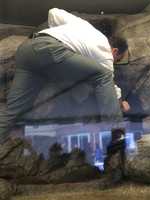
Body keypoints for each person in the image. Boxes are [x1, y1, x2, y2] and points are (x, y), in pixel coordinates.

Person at [0, 8, 130, 144]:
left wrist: (60, 34)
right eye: (118, 59)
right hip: (49, 50)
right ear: (114, 51)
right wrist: (121, 104)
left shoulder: (82, 25)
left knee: (13, 112)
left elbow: (53, 12)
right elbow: (108, 81)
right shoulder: (105, 50)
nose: (114, 63)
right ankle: (117, 134)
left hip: (26, 51)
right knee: (103, 75)